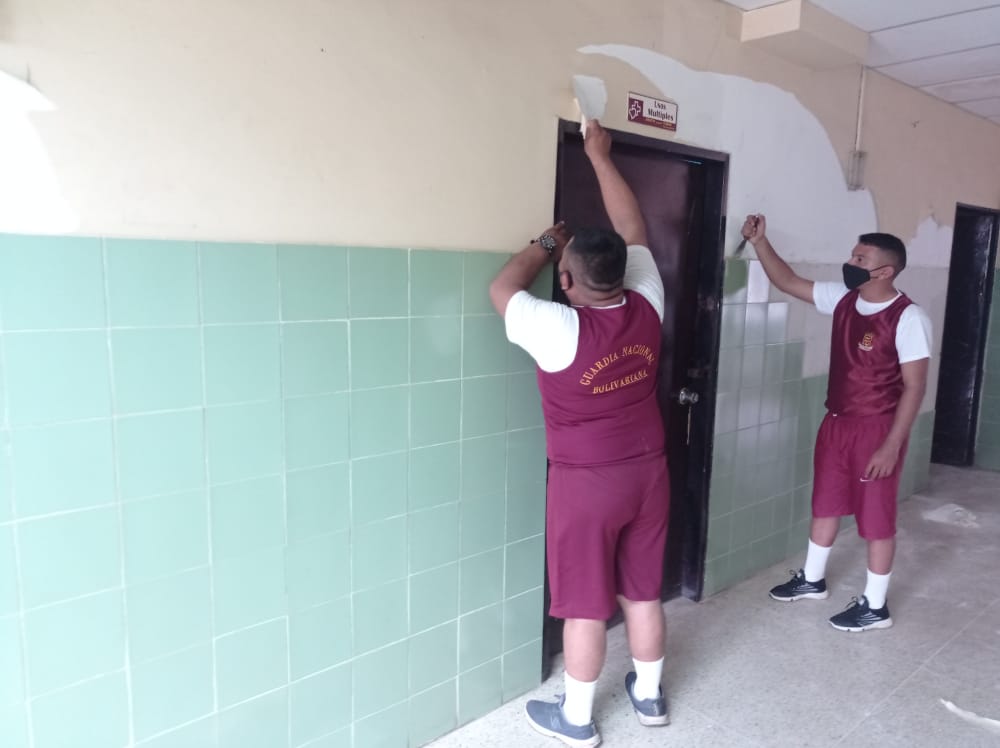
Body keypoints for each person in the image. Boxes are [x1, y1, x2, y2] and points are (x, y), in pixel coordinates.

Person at [489, 120, 671, 746]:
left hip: (586, 485)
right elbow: (633, 228)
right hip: (648, 473)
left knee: (586, 604)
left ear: (565, 282)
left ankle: (576, 719)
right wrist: (599, 156)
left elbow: (502, 287)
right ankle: (649, 698)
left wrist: (546, 242)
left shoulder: (557, 328)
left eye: (562, 270)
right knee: (642, 592)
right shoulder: (648, 300)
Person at [741, 214, 932, 632]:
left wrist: (891, 446)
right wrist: (760, 243)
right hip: (837, 422)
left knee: (876, 519)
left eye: (860, 258)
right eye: (852, 254)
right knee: (825, 502)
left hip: (877, 429)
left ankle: (875, 607)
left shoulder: (908, 317)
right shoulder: (845, 298)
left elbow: (915, 387)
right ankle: (812, 580)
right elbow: (788, 281)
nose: (850, 262)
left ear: (885, 271)